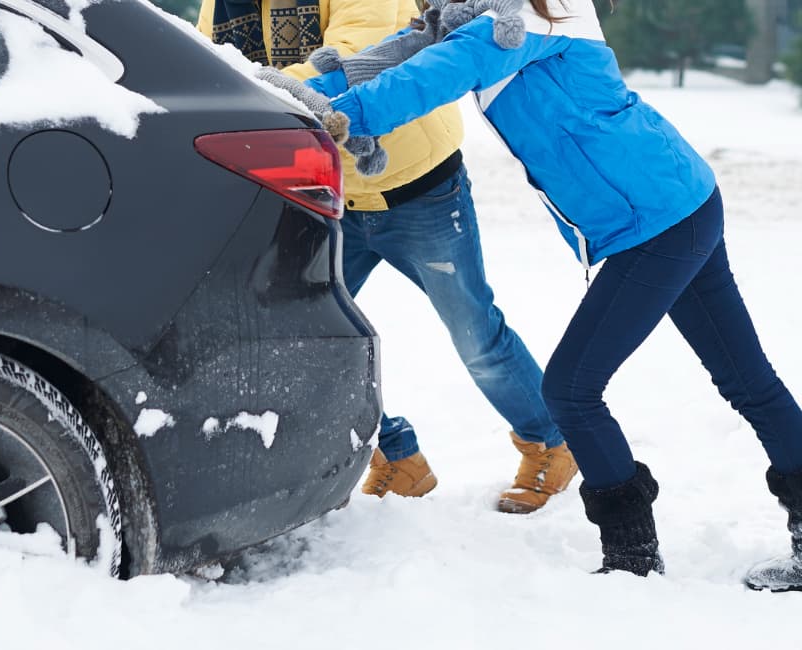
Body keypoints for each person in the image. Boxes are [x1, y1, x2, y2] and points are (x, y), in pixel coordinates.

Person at [303, 0, 802, 588]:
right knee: (746, 380)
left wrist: (344, 116)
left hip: (661, 219)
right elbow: (398, 58)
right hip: (672, 206)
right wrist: (299, 96)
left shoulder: (550, 11)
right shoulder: (486, 19)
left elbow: (442, 71)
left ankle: (631, 557)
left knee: (571, 389)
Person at [197, 0, 577, 513]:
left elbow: (356, 56)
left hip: (418, 189)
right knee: (300, 336)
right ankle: (397, 456)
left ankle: (550, 444)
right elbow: (212, 65)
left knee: (475, 334)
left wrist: (254, 91)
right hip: (322, 197)